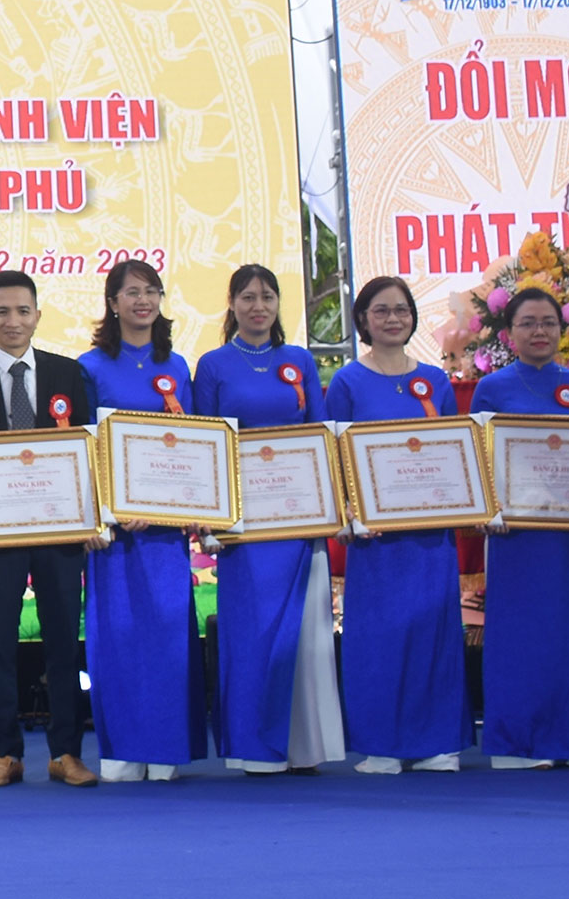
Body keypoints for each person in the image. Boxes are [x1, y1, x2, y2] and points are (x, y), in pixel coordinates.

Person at [191, 264, 342, 775]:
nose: (259, 307)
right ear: (232, 304)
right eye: (248, 297)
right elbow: (206, 443)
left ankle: (305, 747)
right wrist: (210, 521)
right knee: (251, 636)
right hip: (245, 532)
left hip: (298, 526)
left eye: (268, 297)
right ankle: (254, 749)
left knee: (306, 638)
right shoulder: (212, 365)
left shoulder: (299, 360)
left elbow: (320, 433)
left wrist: (331, 507)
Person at [0, 268, 100, 788]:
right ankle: (5, 754)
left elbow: (86, 449)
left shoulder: (67, 373)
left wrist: (90, 517)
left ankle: (66, 753)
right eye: (2, 311)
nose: (12, 320)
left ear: (37, 316)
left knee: (63, 644)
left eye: (22, 311)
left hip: (59, 535)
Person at [324, 276, 469, 774]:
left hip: (431, 536)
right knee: (379, 638)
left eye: (401, 310)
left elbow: (454, 454)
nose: (393, 318)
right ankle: (381, 745)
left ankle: (437, 743)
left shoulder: (436, 381)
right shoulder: (347, 382)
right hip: (377, 541)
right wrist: (348, 511)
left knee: (433, 633)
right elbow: (335, 456)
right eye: (381, 310)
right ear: (363, 320)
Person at [468, 286, 569, 770]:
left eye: (548, 322)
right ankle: (517, 743)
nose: (539, 331)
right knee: (520, 634)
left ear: (561, 329)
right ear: (509, 333)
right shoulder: (492, 388)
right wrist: (489, 511)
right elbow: (480, 457)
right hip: (516, 535)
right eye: (527, 323)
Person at [75, 259, 206, 782]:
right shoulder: (89, 368)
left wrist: (178, 508)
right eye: (131, 292)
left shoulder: (177, 366)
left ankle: (165, 748)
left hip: (165, 533)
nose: (143, 300)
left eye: (151, 291)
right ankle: (123, 749)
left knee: (167, 634)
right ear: (112, 303)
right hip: (115, 534)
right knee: (119, 638)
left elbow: (193, 447)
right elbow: (84, 446)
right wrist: (111, 509)